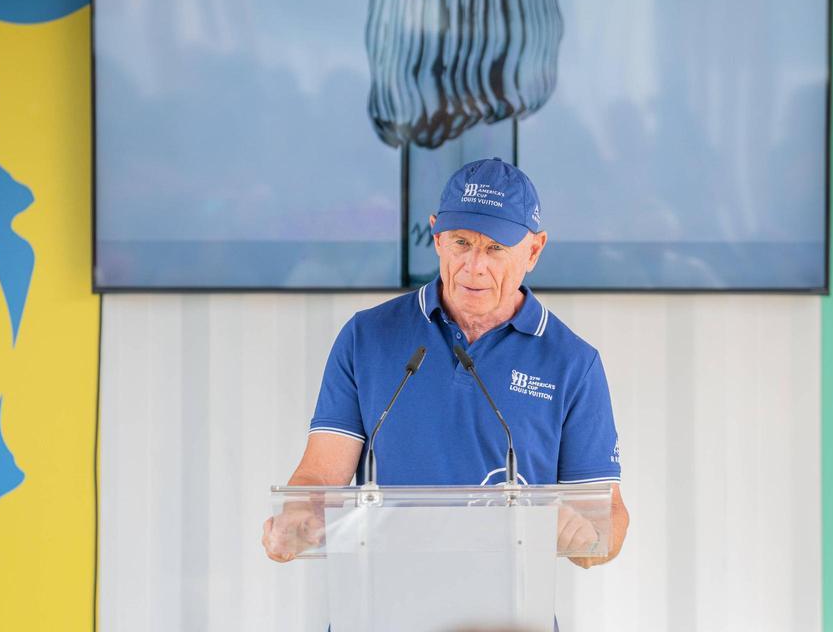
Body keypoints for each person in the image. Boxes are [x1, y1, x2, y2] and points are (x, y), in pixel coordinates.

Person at [262, 157, 629, 569]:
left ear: (534, 250)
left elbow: (606, 519)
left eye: (495, 248)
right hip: (379, 608)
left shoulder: (572, 363)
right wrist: (295, 517)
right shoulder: (366, 337)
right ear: (436, 237)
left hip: (507, 615)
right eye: (461, 243)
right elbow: (319, 478)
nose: (475, 266)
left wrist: (584, 534)